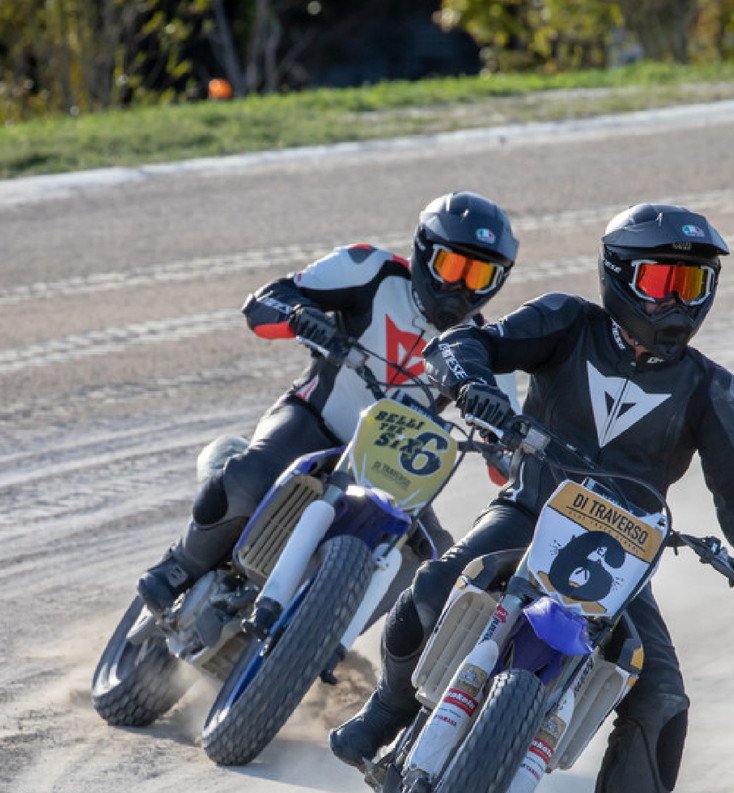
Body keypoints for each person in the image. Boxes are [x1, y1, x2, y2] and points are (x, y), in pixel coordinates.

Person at [329, 202, 734, 793]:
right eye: (661, 279)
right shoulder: (564, 322)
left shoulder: (714, 388)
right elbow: (469, 345)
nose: (677, 300)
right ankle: (389, 709)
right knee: (430, 587)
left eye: (692, 284)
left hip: (618, 562)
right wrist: (472, 381)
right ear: (617, 274)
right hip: (527, 512)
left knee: (661, 699)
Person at [137, 191, 519, 619]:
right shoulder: (369, 268)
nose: (461, 286)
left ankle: (325, 636)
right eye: (453, 266)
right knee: (249, 476)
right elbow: (267, 301)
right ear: (424, 252)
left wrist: (508, 453)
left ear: (497, 282)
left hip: (395, 470)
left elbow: (509, 441)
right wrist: (300, 315)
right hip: (313, 421)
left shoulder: (486, 348)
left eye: (479, 275)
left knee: (433, 569)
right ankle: (179, 566)